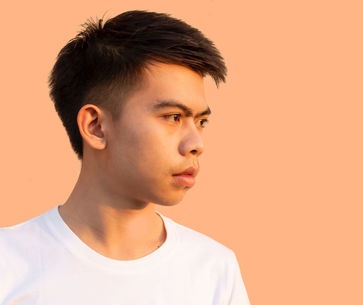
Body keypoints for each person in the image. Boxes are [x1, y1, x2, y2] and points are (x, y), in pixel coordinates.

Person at [0, 10, 251, 305]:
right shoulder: (9, 264)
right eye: (173, 117)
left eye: (201, 121)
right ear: (96, 127)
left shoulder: (213, 270)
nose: (196, 143)